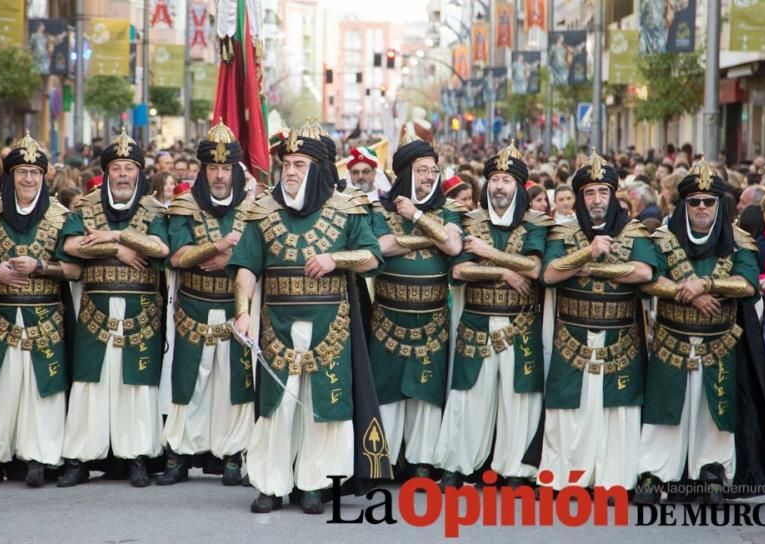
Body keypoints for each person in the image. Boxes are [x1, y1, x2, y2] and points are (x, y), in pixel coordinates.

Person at [228, 120, 391, 514]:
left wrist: (335, 258)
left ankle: (316, 484)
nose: (292, 171)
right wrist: (242, 313)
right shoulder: (262, 210)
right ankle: (271, 483)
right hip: (276, 323)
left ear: (318, 168)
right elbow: (247, 266)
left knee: (326, 406)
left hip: (330, 321)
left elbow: (372, 256)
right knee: (276, 407)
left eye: (300, 164)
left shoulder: (348, 208)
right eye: (287, 163)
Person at [637, 161, 765, 503]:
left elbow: (746, 284)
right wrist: (693, 295)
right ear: (684, 204)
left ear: (718, 205)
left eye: (708, 202)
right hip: (672, 338)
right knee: (665, 410)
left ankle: (712, 471)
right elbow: (650, 279)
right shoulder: (663, 239)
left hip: (719, 341)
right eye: (695, 201)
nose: (701, 207)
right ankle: (655, 473)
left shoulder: (738, 240)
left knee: (715, 412)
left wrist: (707, 283)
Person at [535, 151, 657, 492]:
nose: (597, 199)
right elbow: (548, 274)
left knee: (616, 411)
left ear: (613, 195)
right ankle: (568, 478)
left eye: (602, 192)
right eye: (589, 193)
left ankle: (613, 480)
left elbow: (645, 272)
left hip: (621, 335)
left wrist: (591, 269)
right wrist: (586, 253)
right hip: (572, 333)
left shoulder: (633, 232)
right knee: (570, 409)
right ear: (579, 198)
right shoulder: (564, 231)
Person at [56, 129, 171, 488]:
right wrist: (115, 250)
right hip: (96, 307)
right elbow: (72, 246)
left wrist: (117, 235)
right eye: (118, 167)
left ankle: (136, 455)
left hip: (142, 309)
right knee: (92, 382)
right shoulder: (86, 206)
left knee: (135, 385)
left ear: (139, 173)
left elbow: (160, 249)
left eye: (130, 168)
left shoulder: (154, 209)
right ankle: (80, 458)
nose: (123, 174)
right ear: (107, 172)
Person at [435, 143, 552, 489]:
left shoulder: (535, 223)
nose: (500, 186)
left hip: (519, 323)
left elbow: (534, 267)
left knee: (520, 399)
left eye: (507, 180)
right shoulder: (469, 220)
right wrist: (502, 273)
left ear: (519, 186)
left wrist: (489, 254)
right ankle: (457, 464)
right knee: (469, 396)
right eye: (495, 179)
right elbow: (458, 272)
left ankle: (517, 469)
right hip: (477, 321)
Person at [0, 133, 81, 488]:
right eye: (21, 172)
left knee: (41, 388)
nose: (28, 178)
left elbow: (76, 271)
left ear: (44, 176)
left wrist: (39, 266)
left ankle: (40, 458)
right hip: (0, 311)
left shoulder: (63, 218)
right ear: (10, 176)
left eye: (34, 172)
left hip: (45, 314)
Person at [158, 122, 255, 486]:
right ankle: (180, 454)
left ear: (235, 171)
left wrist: (228, 260)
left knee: (234, 385)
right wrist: (217, 247)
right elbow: (179, 256)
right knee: (190, 384)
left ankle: (233, 455)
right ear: (203, 169)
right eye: (212, 168)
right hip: (193, 308)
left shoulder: (253, 207)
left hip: (236, 308)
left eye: (225, 168)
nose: (218, 175)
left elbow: (258, 256)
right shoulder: (184, 205)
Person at [369, 135, 463, 480]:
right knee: (388, 387)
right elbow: (380, 246)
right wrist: (432, 236)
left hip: (432, 317)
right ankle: (386, 458)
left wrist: (419, 217)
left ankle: (423, 461)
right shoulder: (380, 209)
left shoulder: (448, 210)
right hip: (388, 315)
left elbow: (453, 245)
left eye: (433, 170)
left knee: (426, 389)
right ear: (405, 174)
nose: (428, 176)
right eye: (421, 170)